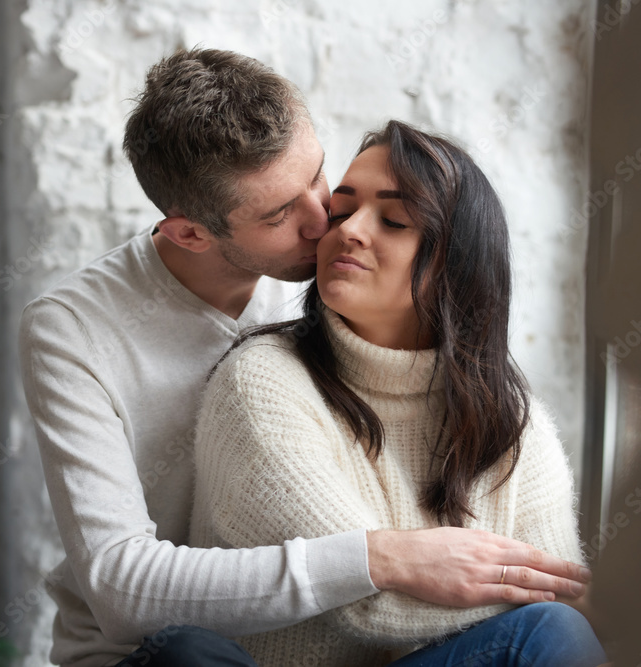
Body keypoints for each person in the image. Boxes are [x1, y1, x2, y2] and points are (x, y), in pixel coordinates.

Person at [18, 48, 592, 667]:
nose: (327, 222)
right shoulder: (75, 329)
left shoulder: (339, 280)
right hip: (160, 652)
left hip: (352, 646)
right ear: (190, 233)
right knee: (189, 653)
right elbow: (122, 589)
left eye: (318, 179)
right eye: (280, 214)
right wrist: (382, 557)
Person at [189, 121, 609, 666]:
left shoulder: (511, 420)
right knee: (548, 631)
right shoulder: (262, 384)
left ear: (455, 262)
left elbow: (558, 590)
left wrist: (569, 607)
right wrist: (561, 606)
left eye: (394, 219)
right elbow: (362, 598)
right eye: (340, 212)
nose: (349, 231)